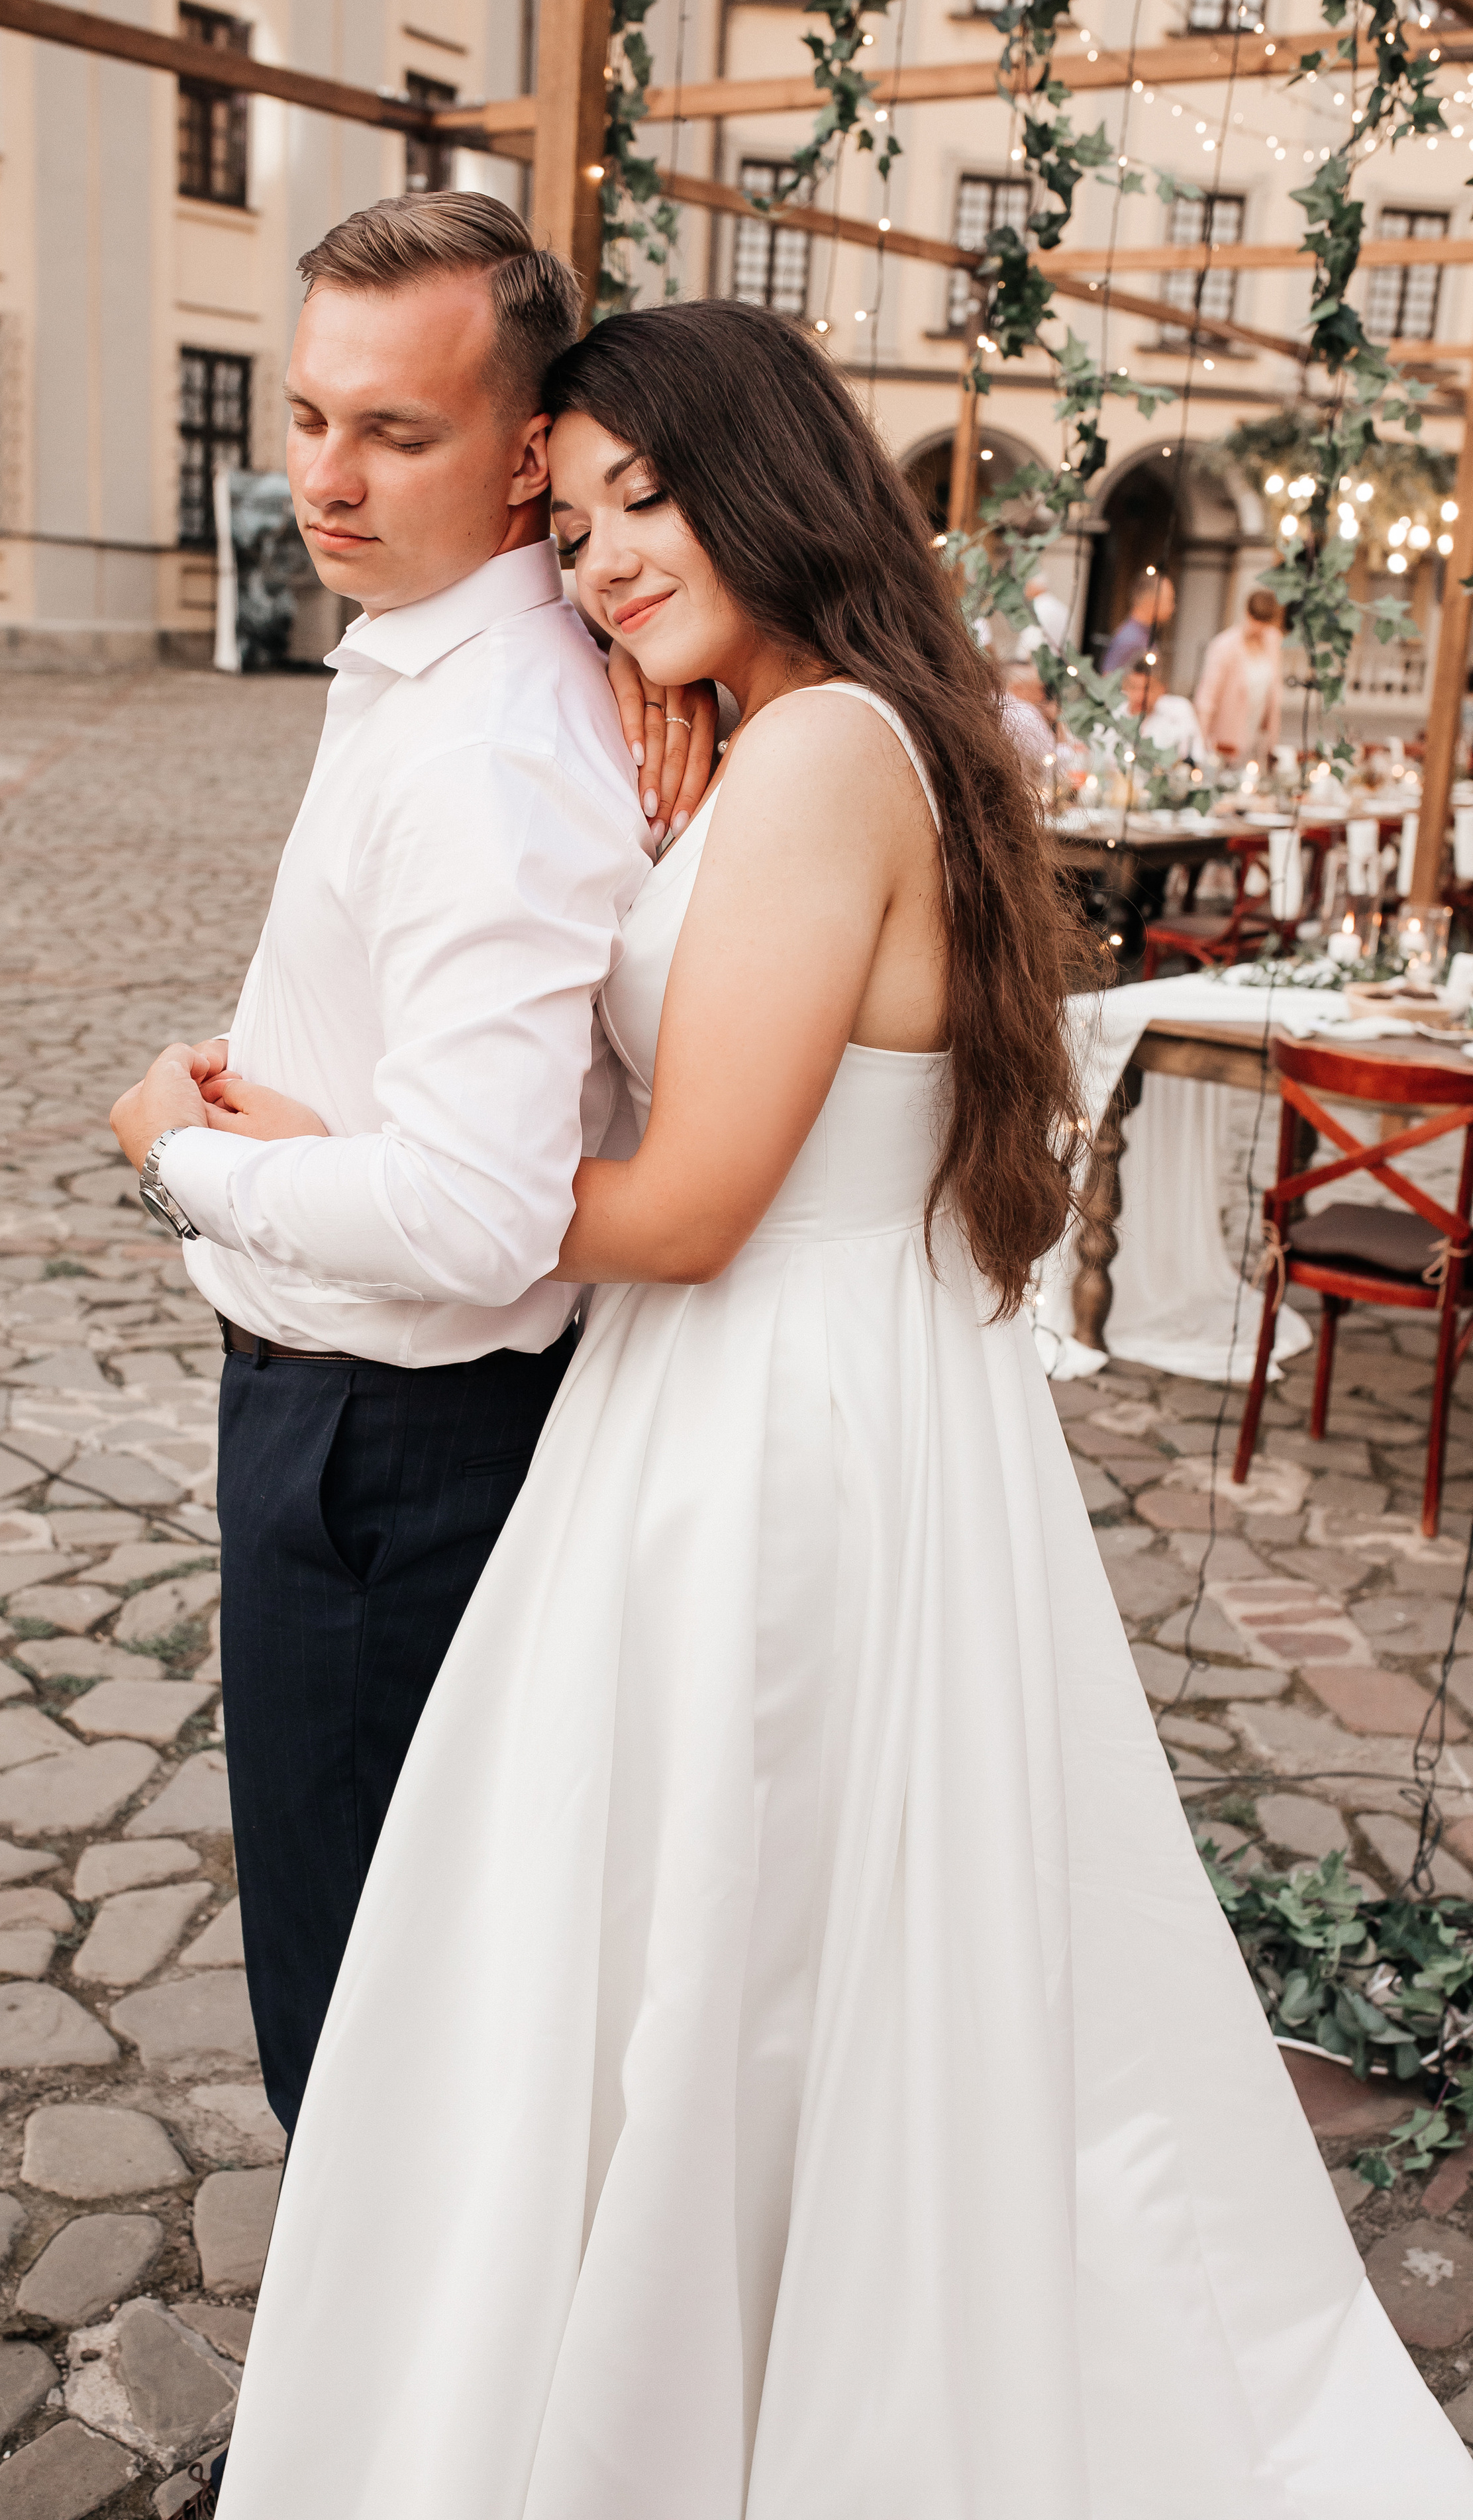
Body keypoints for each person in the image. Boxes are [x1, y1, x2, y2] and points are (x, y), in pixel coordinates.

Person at [209, 300, 1472, 2515]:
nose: (599, 558)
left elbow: (689, 1203)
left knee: (732, 1940)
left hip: (755, 1417)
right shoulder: (818, 731)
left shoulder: (815, 760)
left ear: (771, 483)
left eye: (643, 501)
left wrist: (277, 1174)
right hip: (792, 1392)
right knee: (760, 1943)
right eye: (574, 518)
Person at [107, 191, 716, 2161]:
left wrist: (181, 1156)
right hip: (367, 1418)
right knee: (400, 1982)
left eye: (398, 432)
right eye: (307, 417)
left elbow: (472, 1218)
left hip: (386, 1443)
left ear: (526, 448)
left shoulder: (492, 742)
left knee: (364, 2022)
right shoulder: (449, 665)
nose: (328, 478)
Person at [1196, 584, 1286, 767]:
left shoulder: (1273, 641)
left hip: (1257, 739)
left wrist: (1271, 740)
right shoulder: (1224, 646)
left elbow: (1274, 691)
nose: (1259, 628)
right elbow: (1206, 700)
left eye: (1265, 622)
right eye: (1255, 620)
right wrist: (1200, 747)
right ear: (1247, 613)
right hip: (1225, 740)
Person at [1099, 567, 1175, 673]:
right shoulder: (1131, 638)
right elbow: (1108, 679)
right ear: (1151, 600)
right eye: (1169, 600)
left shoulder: (1143, 635)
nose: (1172, 608)